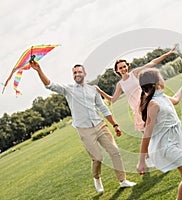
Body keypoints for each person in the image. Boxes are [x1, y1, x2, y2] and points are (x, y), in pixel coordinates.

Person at [30, 60, 136, 194]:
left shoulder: (93, 89)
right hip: (84, 130)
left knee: (115, 152)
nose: (77, 74)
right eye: (74, 72)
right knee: (97, 158)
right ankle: (97, 178)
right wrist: (39, 70)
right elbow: (49, 85)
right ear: (72, 75)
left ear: (84, 74)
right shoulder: (68, 90)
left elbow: (103, 108)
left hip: (100, 125)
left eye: (79, 71)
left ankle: (122, 180)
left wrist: (115, 124)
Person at [136, 68, 182, 200]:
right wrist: (141, 161)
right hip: (167, 147)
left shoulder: (161, 96)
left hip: (175, 143)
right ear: (156, 82)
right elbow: (147, 134)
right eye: (161, 77)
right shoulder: (153, 104)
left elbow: (175, 99)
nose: (163, 79)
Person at [95, 47, 175, 132]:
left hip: (147, 104)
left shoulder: (135, 73)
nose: (123, 69)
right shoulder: (120, 85)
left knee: (160, 129)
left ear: (127, 66)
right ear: (117, 70)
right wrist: (100, 91)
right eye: (120, 68)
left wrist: (167, 54)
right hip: (138, 113)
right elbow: (112, 100)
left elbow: (152, 63)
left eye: (124, 66)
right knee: (147, 137)